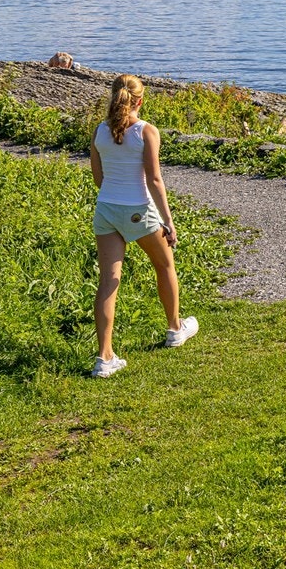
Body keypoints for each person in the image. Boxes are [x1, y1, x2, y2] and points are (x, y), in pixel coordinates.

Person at [88, 74, 198, 378]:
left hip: (107, 210)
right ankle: (175, 329)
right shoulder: (146, 131)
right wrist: (168, 221)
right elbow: (154, 180)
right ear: (139, 100)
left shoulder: (99, 132)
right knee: (164, 266)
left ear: (113, 97)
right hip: (139, 211)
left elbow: (99, 179)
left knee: (109, 280)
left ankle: (104, 357)